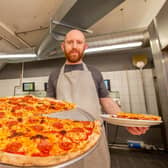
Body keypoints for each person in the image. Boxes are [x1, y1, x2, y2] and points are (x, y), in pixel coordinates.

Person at [47, 29, 149, 168]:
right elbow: (49, 106)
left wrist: (126, 121)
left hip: (93, 137)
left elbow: (106, 101)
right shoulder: (54, 75)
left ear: (85, 47)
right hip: (63, 137)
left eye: (79, 42)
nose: (75, 46)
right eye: (70, 42)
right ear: (63, 46)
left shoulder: (95, 72)